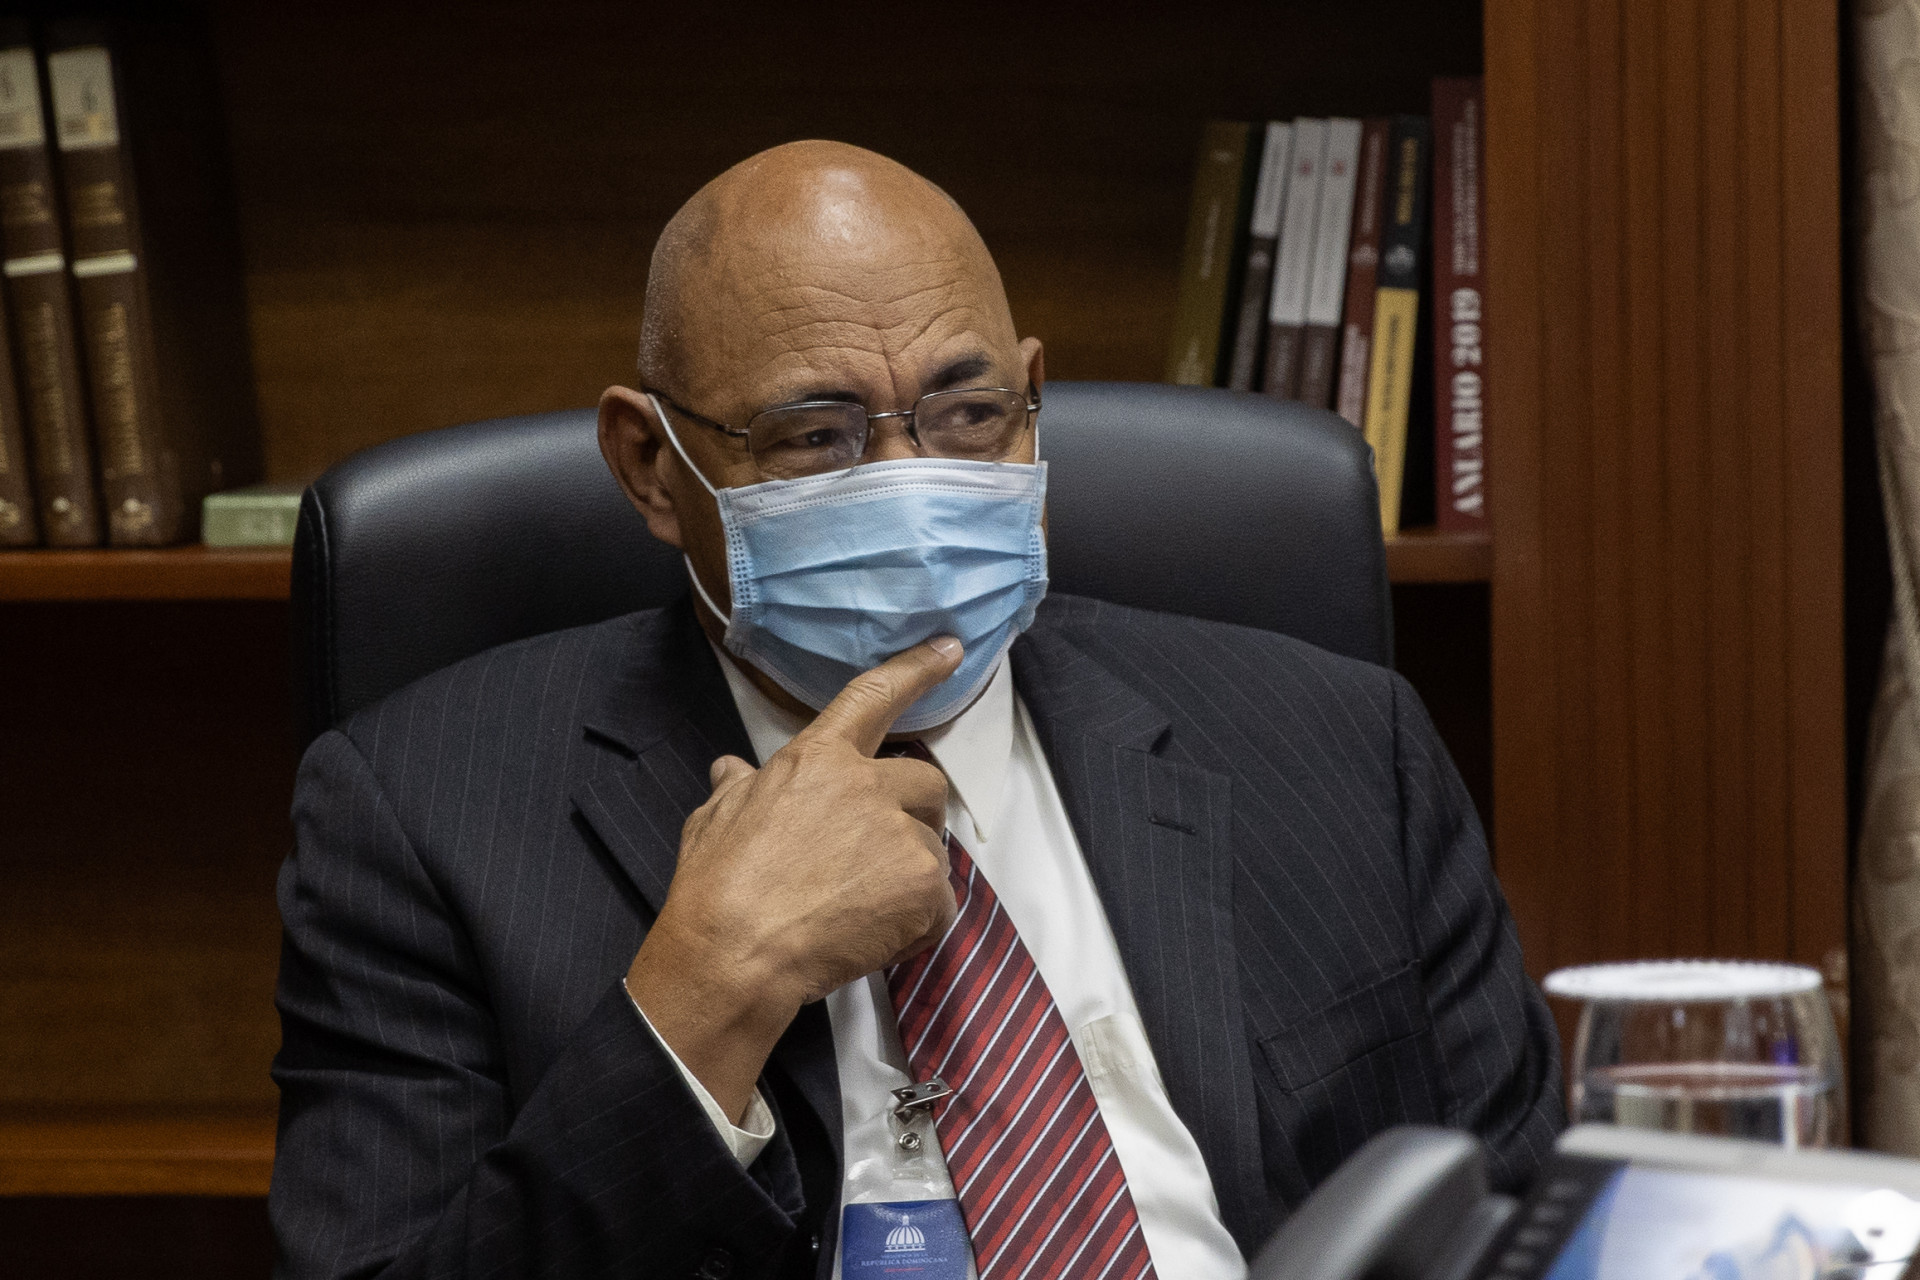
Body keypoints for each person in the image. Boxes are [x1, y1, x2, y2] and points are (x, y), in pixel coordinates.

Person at [269, 140, 1562, 1280]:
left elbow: (1526, 1225)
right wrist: (705, 998)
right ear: (652, 466)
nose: (913, 486)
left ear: (1033, 398)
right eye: (816, 436)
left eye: (968, 414)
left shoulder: (1344, 746)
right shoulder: (418, 815)